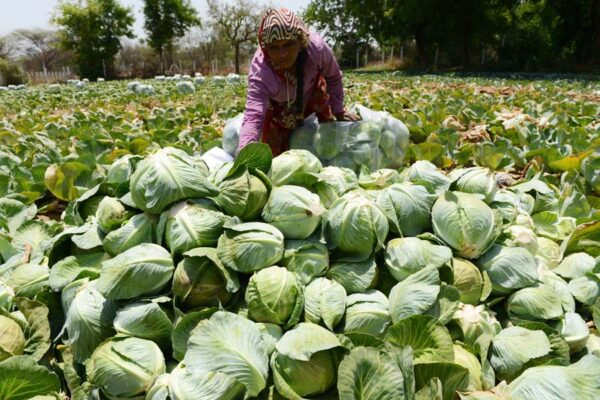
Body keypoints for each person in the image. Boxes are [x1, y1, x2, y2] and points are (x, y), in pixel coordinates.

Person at [236, 7, 359, 156]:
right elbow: (254, 115)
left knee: (325, 145)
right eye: (274, 47)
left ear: (300, 41)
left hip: (310, 94)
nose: (282, 54)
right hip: (278, 107)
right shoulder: (262, 71)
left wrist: (338, 110)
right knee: (275, 152)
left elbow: (333, 77)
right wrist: (244, 151)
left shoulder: (317, 50)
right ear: (266, 48)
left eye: (288, 44)